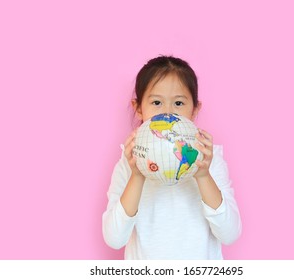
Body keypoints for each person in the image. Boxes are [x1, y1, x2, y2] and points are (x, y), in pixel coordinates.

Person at [102, 55, 241, 259]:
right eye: (156, 102)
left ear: (195, 110)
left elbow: (230, 234)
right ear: (139, 108)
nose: (168, 113)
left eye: (178, 103)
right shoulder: (128, 163)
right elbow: (114, 239)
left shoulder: (210, 160)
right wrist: (137, 176)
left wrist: (203, 176)